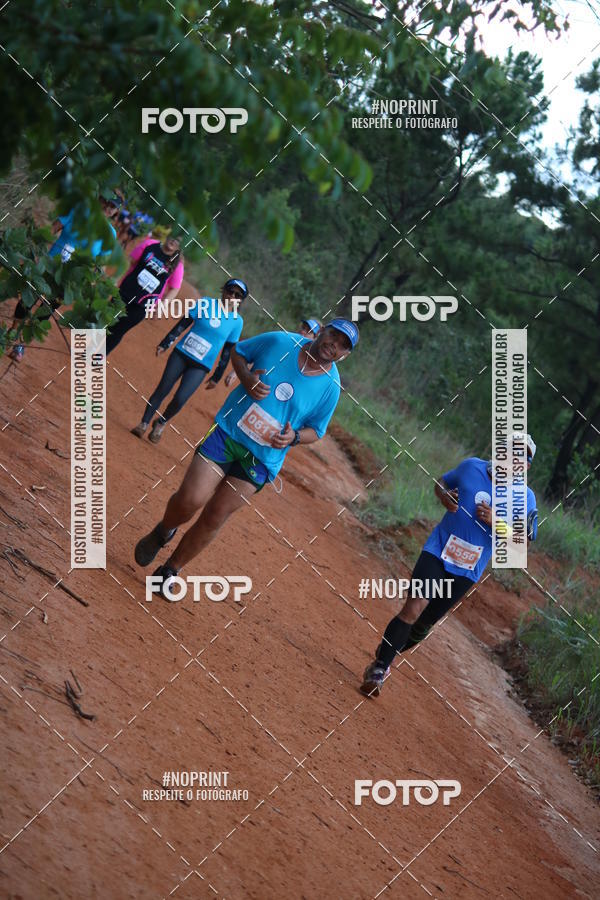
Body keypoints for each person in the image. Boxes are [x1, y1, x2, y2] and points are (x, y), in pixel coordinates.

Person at [133, 318, 359, 597]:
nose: (333, 345)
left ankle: (170, 570)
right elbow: (239, 352)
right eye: (333, 336)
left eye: (342, 345)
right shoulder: (281, 341)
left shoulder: (330, 387)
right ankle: (164, 530)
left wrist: (295, 438)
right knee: (191, 498)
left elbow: (317, 430)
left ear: (345, 355)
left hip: (262, 458)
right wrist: (248, 379)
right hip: (229, 433)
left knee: (216, 515)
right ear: (322, 330)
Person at [360, 434, 539, 696]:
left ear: (527, 466)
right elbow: (442, 483)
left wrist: (495, 521)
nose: (514, 458)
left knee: (423, 624)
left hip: (468, 569)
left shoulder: (526, 498)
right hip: (438, 550)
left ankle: (388, 649)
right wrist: (444, 496)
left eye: (522, 456)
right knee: (413, 608)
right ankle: (380, 668)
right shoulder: (471, 467)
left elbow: (524, 540)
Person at [130, 278, 248, 443]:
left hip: (201, 365)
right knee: (163, 388)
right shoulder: (206, 303)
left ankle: (161, 422)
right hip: (181, 353)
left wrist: (217, 376)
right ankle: (143, 424)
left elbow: (227, 351)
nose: (232, 296)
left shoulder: (237, 322)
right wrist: (166, 342)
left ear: (241, 300)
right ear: (223, 291)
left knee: (180, 398)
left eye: (237, 295)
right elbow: (183, 323)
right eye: (230, 291)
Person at [8, 198, 117, 362]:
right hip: (48, 266)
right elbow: (51, 229)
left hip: (69, 281)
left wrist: (94, 282)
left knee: (45, 311)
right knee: (26, 301)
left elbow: (101, 264)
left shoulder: (110, 233)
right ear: (100, 200)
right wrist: (37, 250)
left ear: (116, 211)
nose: (109, 208)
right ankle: (12, 332)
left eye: (114, 206)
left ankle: (21, 346)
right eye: (108, 203)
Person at [105, 233, 184, 355]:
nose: (173, 241)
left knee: (119, 330)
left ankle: (98, 357)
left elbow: (174, 289)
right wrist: (116, 279)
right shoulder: (150, 245)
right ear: (168, 236)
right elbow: (129, 261)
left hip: (143, 305)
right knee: (106, 321)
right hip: (125, 292)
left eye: (178, 241)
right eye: (173, 237)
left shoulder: (177, 264)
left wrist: (161, 306)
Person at [224, 317, 321, 388]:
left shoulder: (311, 366)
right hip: (255, 387)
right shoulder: (283, 341)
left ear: (315, 339)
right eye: (303, 327)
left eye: (309, 331)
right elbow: (259, 354)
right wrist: (236, 373)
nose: (303, 331)